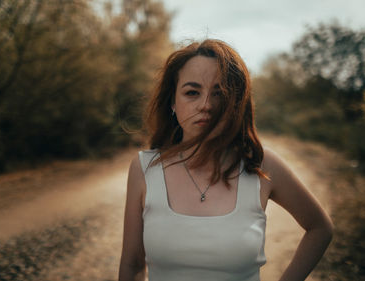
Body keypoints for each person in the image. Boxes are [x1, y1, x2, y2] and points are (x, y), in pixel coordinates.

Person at [118, 39, 333, 281]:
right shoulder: (144, 168)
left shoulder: (262, 165)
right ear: (172, 103)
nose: (206, 105)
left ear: (236, 104)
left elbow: (320, 228)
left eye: (220, 93)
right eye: (192, 92)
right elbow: (133, 263)